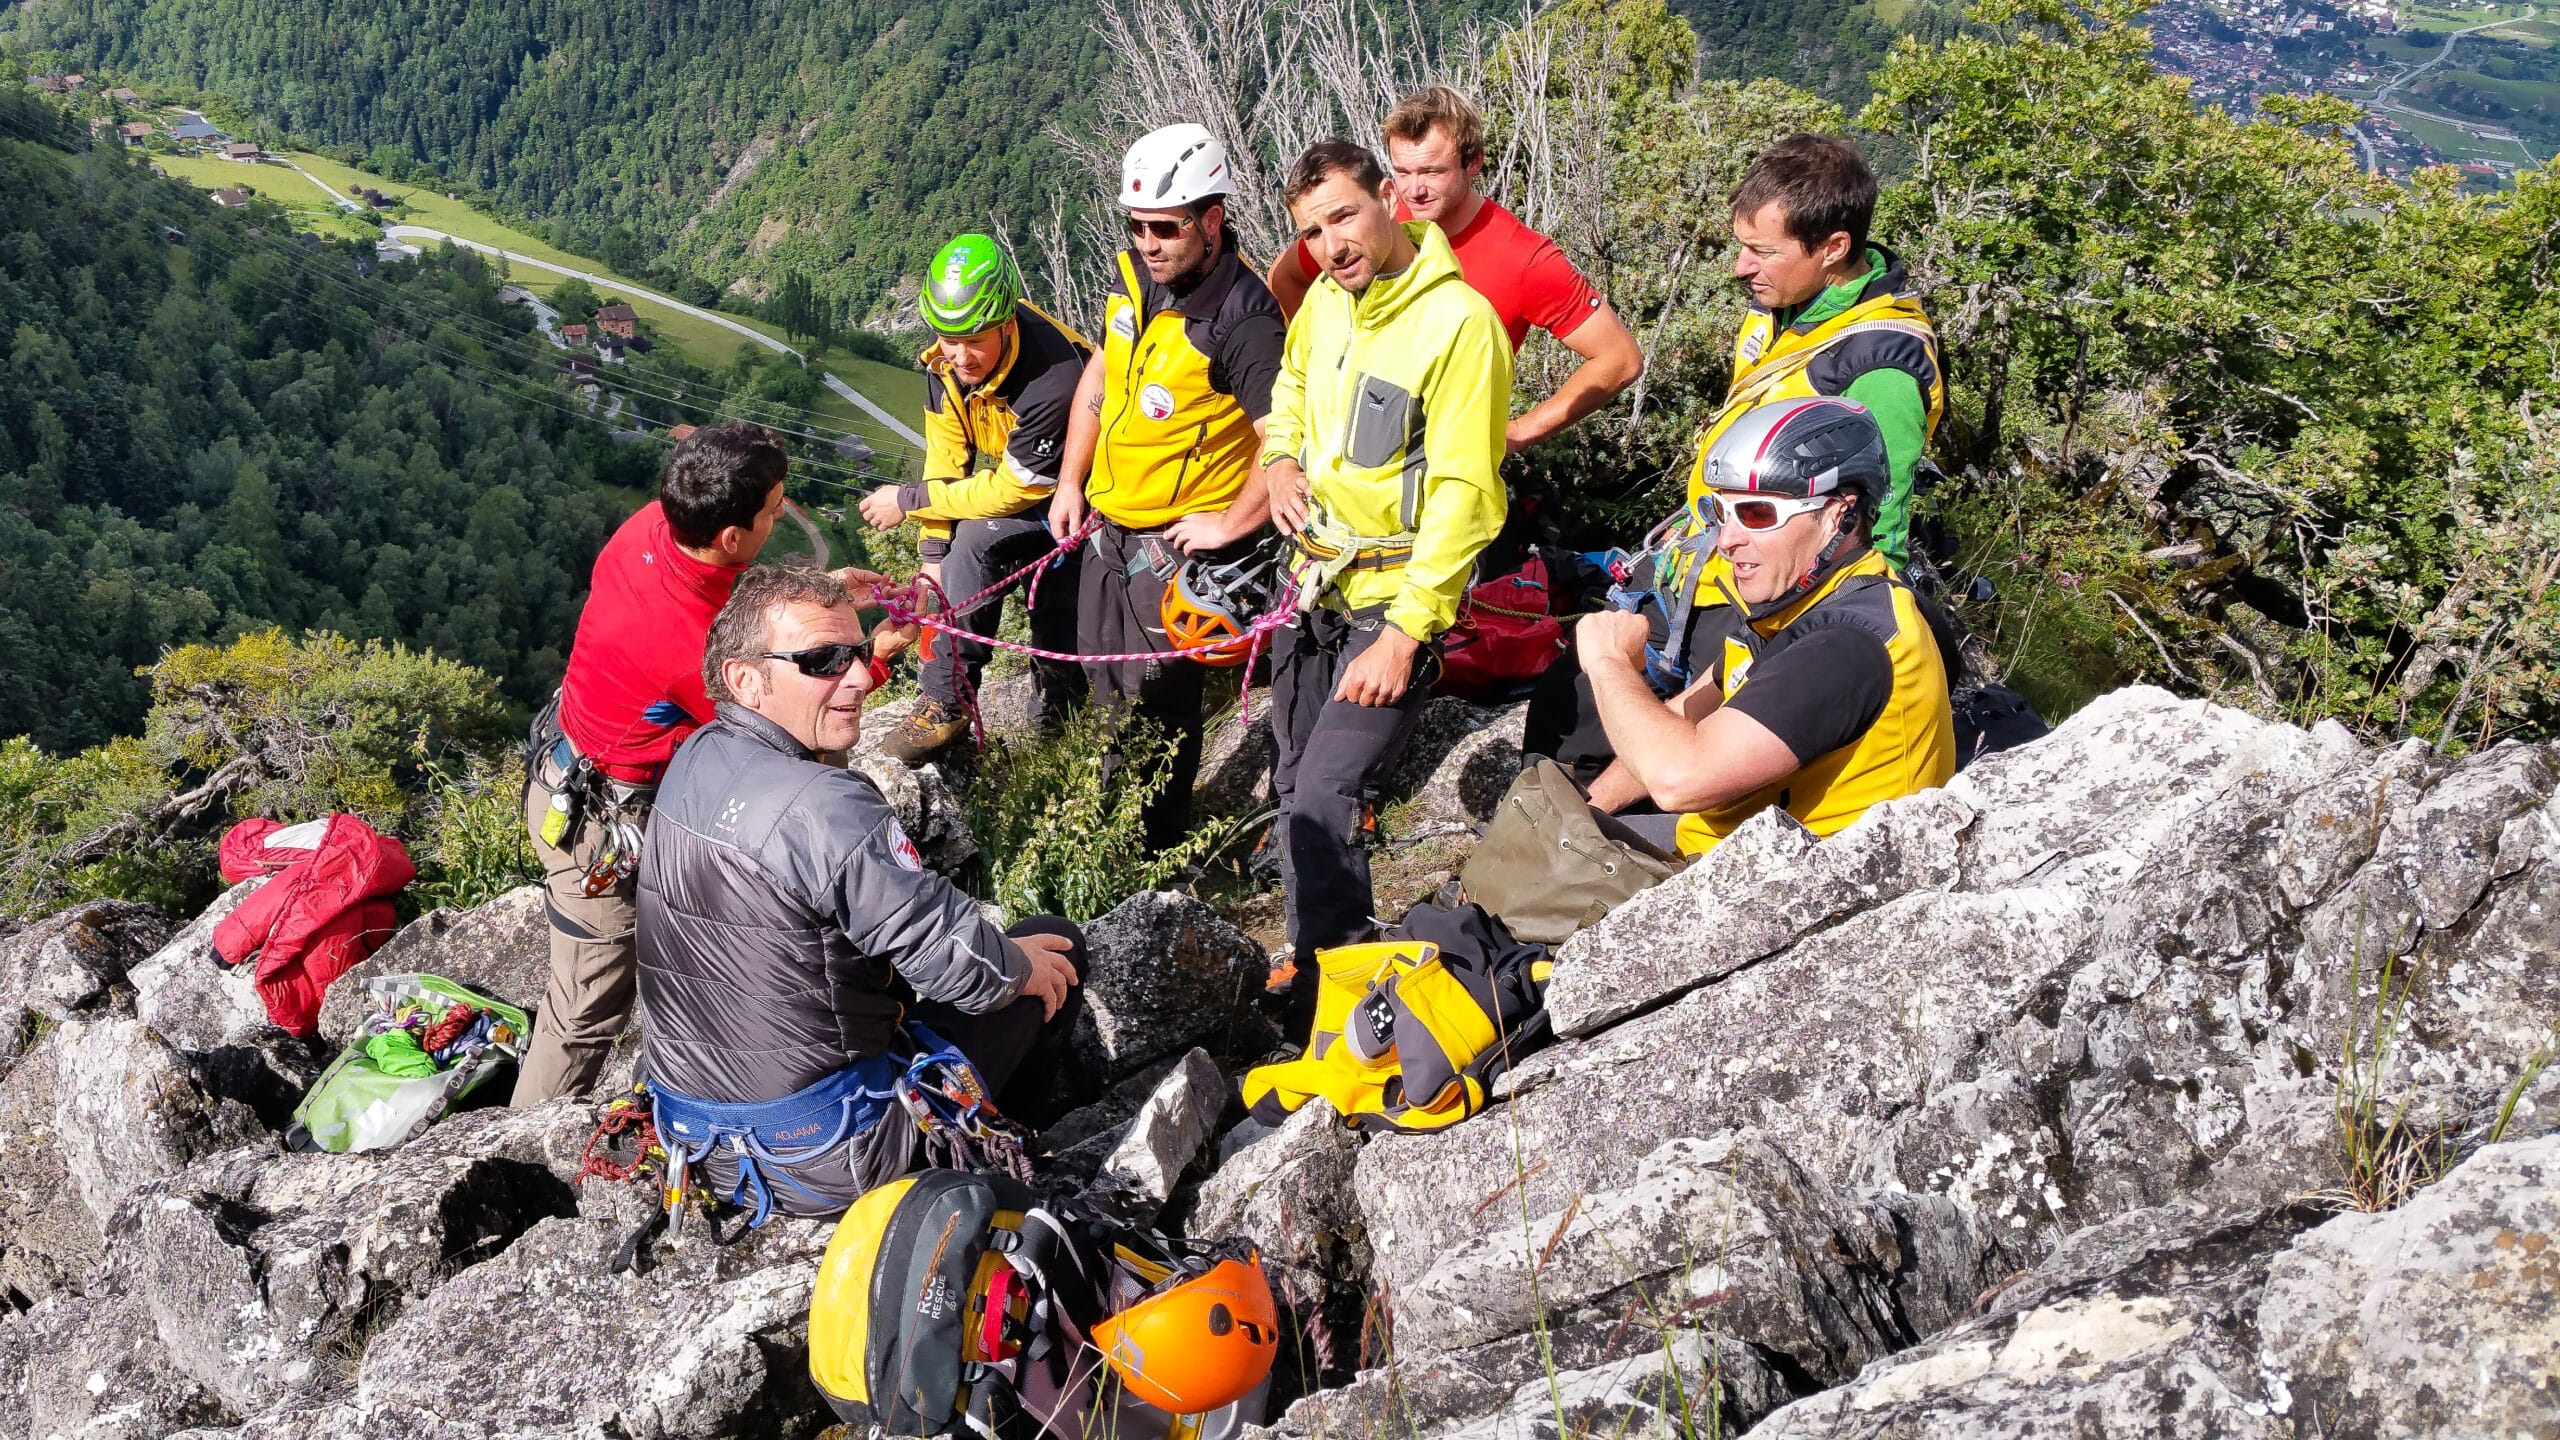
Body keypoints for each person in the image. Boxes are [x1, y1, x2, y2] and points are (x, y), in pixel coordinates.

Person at [634, 565, 1087, 1216]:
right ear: (744, 679)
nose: (854, 677)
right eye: (822, 660)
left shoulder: (699, 755)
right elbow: (961, 966)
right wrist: (1019, 966)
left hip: (701, 1142)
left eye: (855, 653)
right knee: (1057, 949)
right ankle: (1006, 1170)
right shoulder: (826, 805)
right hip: (828, 1155)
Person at [1261, 138, 1511, 1003]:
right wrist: (1279, 460)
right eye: (1311, 231)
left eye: (1343, 216)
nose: (1331, 245)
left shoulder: (1458, 326)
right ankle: (1309, 954)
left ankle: (1338, 987)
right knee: (1293, 781)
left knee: (1328, 786)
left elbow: (1465, 497)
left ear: (1389, 198)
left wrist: (1406, 634)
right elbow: (1290, 387)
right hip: (1315, 585)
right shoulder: (1329, 304)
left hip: (1393, 601)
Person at [516, 423, 816, 1105]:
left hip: (572, 776)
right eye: (774, 510)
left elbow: (737, 606)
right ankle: (515, 1157)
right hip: (604, 828)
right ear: (730, 537)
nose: (780, 516)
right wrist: (871, 654)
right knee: (583, 1014)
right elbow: (782, 734)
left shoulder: (651, 527)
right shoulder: (693, 645)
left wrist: (820, 601)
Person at [1558, 397, 1955, 857]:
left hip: (1791, 897)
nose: (1726, 540)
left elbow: (1676, 778)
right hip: (1732, 857)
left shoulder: (1846, 645)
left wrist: (1608, 662)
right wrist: (1586, 816)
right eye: (1720, 513)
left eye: (1758, 514)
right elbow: (1680, 720)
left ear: (1838, 515)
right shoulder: (1794, 608)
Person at [1049, 122, 1287, 852]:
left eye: (1165, 227)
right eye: (1137, 226)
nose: (1148, 242)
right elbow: (1103, 371)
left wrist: (1231, 524)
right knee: (1103, 685)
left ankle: (1154, 845)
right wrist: (1071, 479)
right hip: (1108, 529)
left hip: (1174, 546)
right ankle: (1108, 820)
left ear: (1211, 220)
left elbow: (1285, 439)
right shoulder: (1134, 282)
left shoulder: (1242, 320)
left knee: (1162, 705)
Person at [1265, 85, 1641, 455]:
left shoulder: (1523, 257)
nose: (1415, 190)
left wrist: (1517, 433)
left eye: (1432, 171)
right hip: (1355, 458)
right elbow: (1285, 277)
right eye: (1403, 171)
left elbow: (1619, 358)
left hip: (1447, 463)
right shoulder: (1372, 221)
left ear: (1473, 161)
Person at [863, 234, 1092, 764]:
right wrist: (930, 559)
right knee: (964, 548)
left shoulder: (1055, 376)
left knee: (1056, 611)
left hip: (1083, 495)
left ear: (1008, 324)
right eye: (948, 338)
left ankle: (1061, 720)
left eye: (975, 340)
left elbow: (1018, 486)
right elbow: (946, 456)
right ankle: (946, 701)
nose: (960, 355)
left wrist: (909, 499)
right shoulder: (946, 366)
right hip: (1038, 489)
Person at [1695, 134, 1944, 573]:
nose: (1742, 266)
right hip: (1718, 552)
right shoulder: (1786, 300)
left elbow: (1878, 529)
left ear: (1833, 248)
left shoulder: (1880, 368)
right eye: (1743, 245)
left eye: (1763, 251)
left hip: (1770, 593)